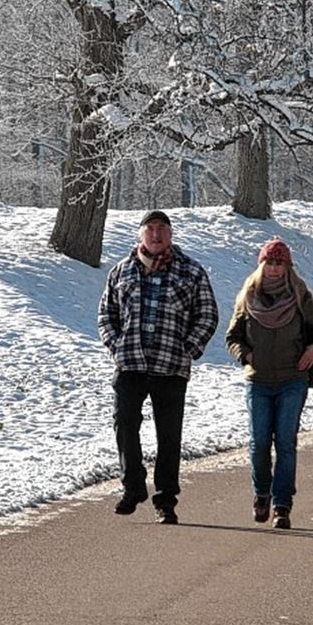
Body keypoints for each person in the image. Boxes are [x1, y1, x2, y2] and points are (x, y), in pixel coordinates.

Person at [98, 209, 219, 525]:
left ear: (170, 235)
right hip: (131, 364)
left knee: (168, 436)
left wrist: (187, 349)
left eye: (162, 229)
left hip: (171, 367)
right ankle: (133, 485)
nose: (156, 234)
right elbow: (106, 315)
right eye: (150, 229)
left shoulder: (190, 271)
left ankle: (166, 500)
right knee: (124, 422)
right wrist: (117, 346)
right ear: (140, 235)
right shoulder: (121, 272)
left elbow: (207, 315)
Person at [226, 238, 313, 530]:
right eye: (269, 263)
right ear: (261, 265)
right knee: (259, 442)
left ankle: (282, 505)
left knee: (285, 442)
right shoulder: (248, 297)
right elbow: (232, 337)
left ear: (287, 266)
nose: (274, 269)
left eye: (279, 263)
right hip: (258, 381)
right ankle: (261, 493)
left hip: (292, 381)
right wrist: (246, 354)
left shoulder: (299, 296)